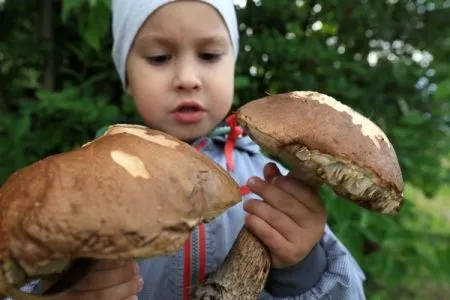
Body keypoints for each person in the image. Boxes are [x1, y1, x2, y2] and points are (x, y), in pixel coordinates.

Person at [21, 1, 366, 299]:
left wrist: (303, 270)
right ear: (126, 76)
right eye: (159, 57)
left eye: (210, 55)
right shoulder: (81, 182)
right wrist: (51, 292)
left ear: (232, 65)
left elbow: (350, 293)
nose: (187, 77)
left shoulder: (273, 182)